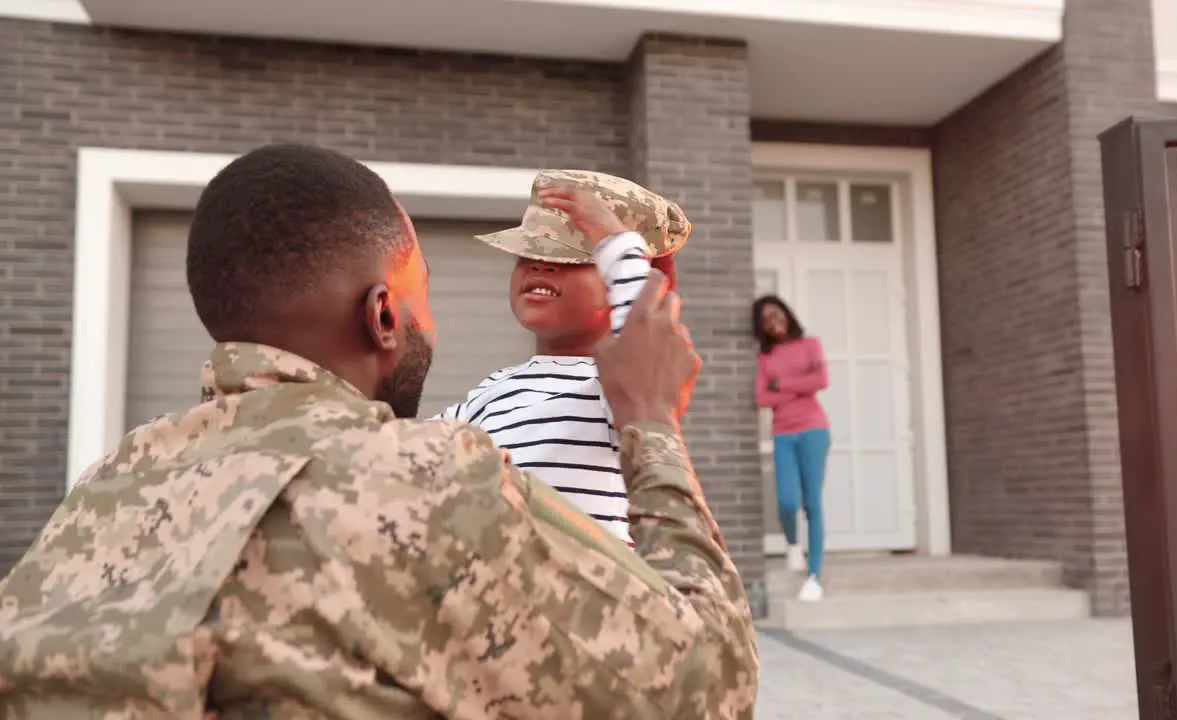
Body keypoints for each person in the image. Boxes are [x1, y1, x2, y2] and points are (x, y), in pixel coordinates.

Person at [0, 144, 759, 718]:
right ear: (383, 315)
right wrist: (653, 424)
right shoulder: (430, 479)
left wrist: (624, 259)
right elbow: (714, 683)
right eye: (420, 285)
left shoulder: (107, 485)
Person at [437, 170, 689, 547]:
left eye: (571, 257)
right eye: (529, 253)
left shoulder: (615, 387)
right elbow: (409, 452)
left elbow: (642, 333)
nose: (541, 265)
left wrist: (616, 242)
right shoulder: (492, 389)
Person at [753, 294, 831, 603]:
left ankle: (813, 577)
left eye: (777, 314)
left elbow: (821, 380)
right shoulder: (764, 358)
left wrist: (781, 385)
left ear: (787, 314)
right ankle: (792, 544)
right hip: (784, 433)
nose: (774, 322)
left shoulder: (810, 344)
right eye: (767, 321)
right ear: (763, 328)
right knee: (787, 502)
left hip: (814, 430)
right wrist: (800, 383)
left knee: (812, 503)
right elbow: (762, 399)